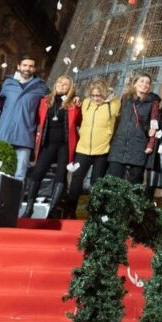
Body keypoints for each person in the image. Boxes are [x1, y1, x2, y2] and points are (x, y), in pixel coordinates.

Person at [23, 75, 81, 218]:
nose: (61, 85)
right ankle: (29, 208)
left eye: (66, 84)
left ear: (70, 88)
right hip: (48, 144)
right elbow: (37, 119)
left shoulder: (74, 104)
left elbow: (80, 122)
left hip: (65, 145)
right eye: (60, 82)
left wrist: (77, 100)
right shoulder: (45, 102)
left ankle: (52, 210)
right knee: (37, 173)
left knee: (61, 176)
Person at [64, 79, 121, 219]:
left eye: (99, 95)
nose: (96, 98)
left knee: (96, 182)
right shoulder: (86, 103)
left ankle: (95, 213)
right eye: (94, 95)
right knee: (76, 179)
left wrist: (109, 96)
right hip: (83, 148)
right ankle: (70, 210)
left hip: (102, 149)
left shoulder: (114, 104)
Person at [107, 72, 160, 187]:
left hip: (138, 144)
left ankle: (130, 205)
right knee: (113, 181)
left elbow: (154, 124)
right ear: (135, 84)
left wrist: (150, 144)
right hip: (119, 144)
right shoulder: (125, 98)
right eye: (141, 81)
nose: (144, 84)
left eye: (147, 83)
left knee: (134, 183)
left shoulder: (153, 102)